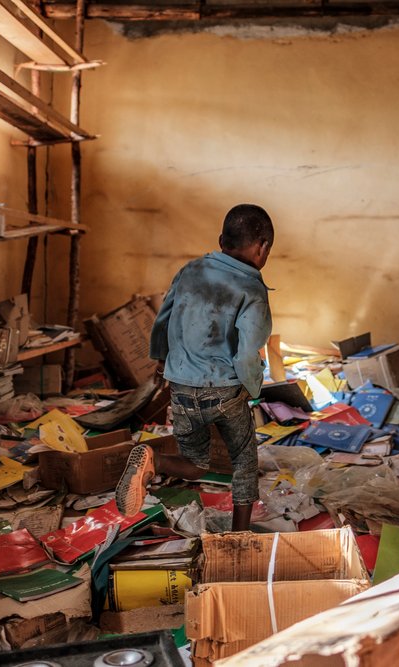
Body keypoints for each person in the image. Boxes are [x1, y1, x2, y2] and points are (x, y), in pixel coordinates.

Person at [115, 204, 274, 531]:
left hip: (182, 388)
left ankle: (154, 460)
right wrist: (254, 390)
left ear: (220, 240)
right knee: (244, 464)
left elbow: (163, 320)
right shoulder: (252, 288)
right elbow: (247, 354)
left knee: (196, 463)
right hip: (225, 391)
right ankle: (239, 536)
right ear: (263, 248)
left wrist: (162, 361)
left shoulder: (191, 270)